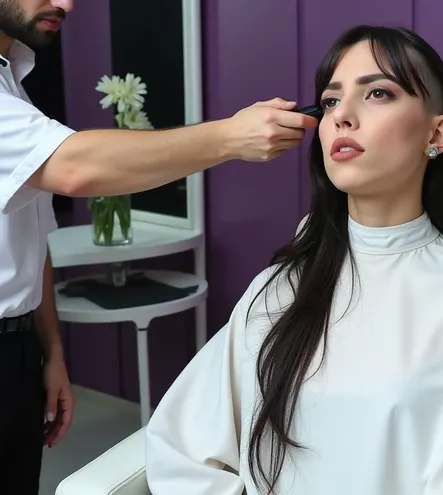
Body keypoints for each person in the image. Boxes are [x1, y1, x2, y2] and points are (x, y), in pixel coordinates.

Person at [145, 25, 443, 495]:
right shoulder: (281, 285)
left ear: (436, 134)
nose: (342, 117)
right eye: (331, 101)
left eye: (378, 93)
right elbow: (181, 446)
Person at [0, 1, 316, 493]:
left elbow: (27, 233)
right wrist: (231, 136)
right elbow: (74, 168)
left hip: (18, 351)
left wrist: (51, 351)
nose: (66, 4)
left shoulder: (11, 79)